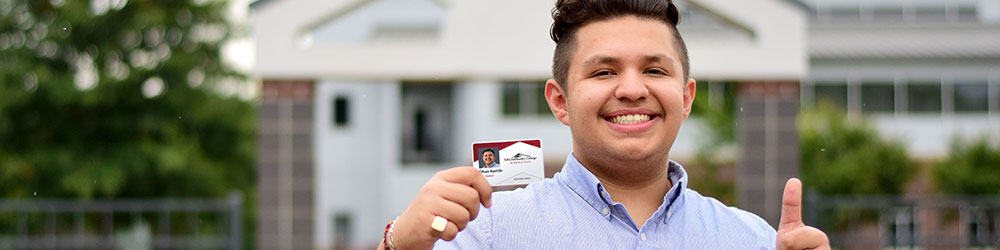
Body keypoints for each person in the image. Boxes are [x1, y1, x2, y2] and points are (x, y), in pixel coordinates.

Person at [380, 0, 830, 249]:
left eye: (655, 70)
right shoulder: (486, 231)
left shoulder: (752, 240)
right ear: (560, 101)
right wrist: (398, 246)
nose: (633, 89)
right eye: (603, 72)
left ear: (687, 97)